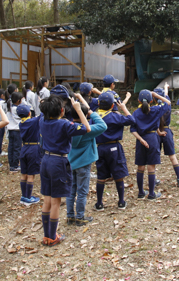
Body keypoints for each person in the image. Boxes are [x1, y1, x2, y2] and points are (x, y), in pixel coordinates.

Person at [39, 95, 91, 246]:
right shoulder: (64, 124)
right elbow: (87, 128)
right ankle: (52, 236)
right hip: (58, 162)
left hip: (46, 160)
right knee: (56, 202)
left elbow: (44, 112)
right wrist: (78, 110)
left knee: (47, 200)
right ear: (62, 111)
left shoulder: (42, 121)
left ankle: (46, 235)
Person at [66, 95, 107, 226]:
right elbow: (102, 125)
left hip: (70, 162)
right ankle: (80, 216)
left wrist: (81, 107)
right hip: (83, 164)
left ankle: (70, 216)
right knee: (82, 191)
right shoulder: (86, 130)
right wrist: (91, 113)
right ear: (85, 115)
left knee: (71, 191)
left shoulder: (68, 127)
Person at [94, 92, 135, 211]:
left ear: (98, 104)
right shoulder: (115, 116)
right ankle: (121, 202)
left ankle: (99, 203)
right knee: (118, 174)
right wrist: (123, 108)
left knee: (101, 176)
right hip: (114, 148)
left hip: (100, 148)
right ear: (113, 105)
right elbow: (131, 120)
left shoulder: (95, 117)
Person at [130, 87, 172, 200]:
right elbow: (168, 103)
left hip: (141, 140)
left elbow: (133, 129)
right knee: (151, 167)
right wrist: (156, 95)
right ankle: (152, 194)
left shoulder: (135, 113)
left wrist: (141, 140)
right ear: (151, 101)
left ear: (139, 101)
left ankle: (140, 193)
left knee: (140, 167)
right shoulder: (155, 110)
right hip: (152, 139)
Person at [154, 87, 179, 187]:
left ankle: (153, 179)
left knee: (154, 157)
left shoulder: (154, 108)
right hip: (166, 131)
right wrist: (166, 88)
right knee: (172, 156)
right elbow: (166, 96)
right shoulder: (167, 104)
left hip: (156, 133)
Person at [16, 104, 42, 206]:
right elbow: (42, 115)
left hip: (24, 148)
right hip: (33, 148)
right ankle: (28, 197)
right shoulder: (33, 121)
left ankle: (24, 196)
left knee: (24, 174)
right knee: (31, 175)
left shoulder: (21, 123)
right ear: (29, 113)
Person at [5, 91, 25, 172]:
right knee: (17, 148)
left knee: (11, 148)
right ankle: (15, 165)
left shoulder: (9, 109)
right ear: (18, 101)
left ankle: (11, 164)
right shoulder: (18, 109)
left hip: (10, 130)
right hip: (17, 131)